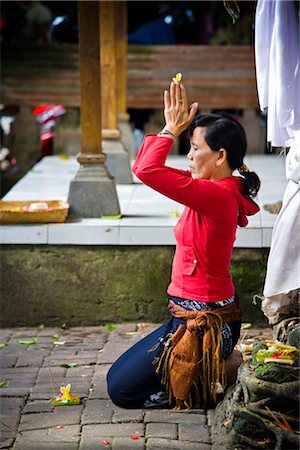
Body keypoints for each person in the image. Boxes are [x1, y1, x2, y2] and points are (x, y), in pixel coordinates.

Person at [107, 79, 261, 409]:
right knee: (115, 377)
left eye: (194, 148)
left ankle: (210, 377)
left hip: (204, 326)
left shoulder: (217, 195)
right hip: (187, 318)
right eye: (188, 146)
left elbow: (146, 169)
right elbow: (150, 169)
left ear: (220, 156)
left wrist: (169, 129)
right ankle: (220, 364)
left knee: (123, 391)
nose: (188, 155)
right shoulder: (209, 186)